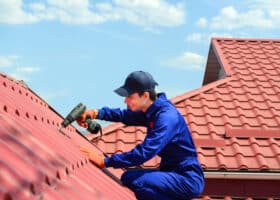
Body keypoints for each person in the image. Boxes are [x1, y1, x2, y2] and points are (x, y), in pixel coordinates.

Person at [78, 71, 205, 200]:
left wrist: (105, 161)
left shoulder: (166, 118)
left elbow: (145, 152)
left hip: (186, 179)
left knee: (135, 182)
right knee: (129, 178)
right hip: (171, 173)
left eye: (129, 96)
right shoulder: (151, 110)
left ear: (144, 95)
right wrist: (95, 113)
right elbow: (123, 115)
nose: (125, 100)